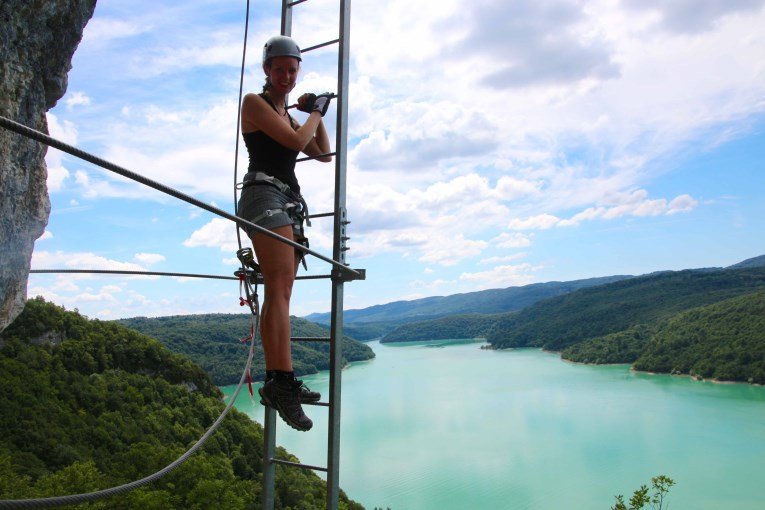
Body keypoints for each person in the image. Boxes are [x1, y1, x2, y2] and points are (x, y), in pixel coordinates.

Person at [237, 35, 333, 431]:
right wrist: (316, 111)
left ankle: (283, 379)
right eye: (280, 69)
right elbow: (296, 141)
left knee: (284, 291)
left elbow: (323, 153)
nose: (287, 76)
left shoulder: (287, 113)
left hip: (284, 200)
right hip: (263, 196)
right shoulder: (254, 104)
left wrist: (316, 114)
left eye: (292, 70)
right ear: (267, 70)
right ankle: (280, 383)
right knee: (279, 288)